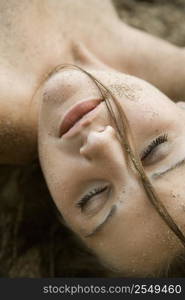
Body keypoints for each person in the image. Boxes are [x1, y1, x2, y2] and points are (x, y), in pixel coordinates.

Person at [1, 0, 185, 277]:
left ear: (62, 215)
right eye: (153, 150)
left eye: (92, 197)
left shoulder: (10, 106)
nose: (100, 144)